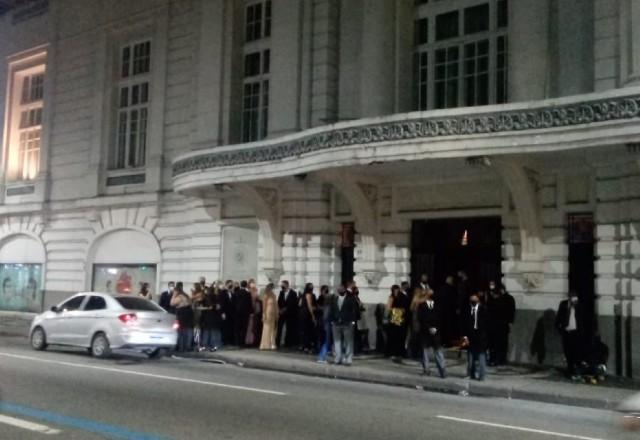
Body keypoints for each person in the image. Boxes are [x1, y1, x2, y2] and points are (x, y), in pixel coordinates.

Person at [555, 291, 586, 378]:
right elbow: (559, 317)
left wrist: (574, 306)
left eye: (576, 298)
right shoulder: (563, 304)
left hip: (576, 332)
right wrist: (559, 329)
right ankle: (570, 370)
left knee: (576, 351)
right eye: (572, 298)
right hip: (566, 332)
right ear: (569, 298)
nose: (574, 300)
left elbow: (583, 318)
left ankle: (576, 370)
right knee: (567, 351)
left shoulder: (579, 305)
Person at [330, 281, 360, 366]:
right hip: (336, 323)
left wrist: (353, 321)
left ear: (344, 289)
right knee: (337, 342)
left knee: (348, 342)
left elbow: (354, 311)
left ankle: (348, 359)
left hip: (347, 323)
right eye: (339, 288)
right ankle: (338, 358)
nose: (340, 290)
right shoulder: (334, 298)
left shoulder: (350, 299)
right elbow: (332, 310)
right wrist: (332, 321)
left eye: (342, 288)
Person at [417, 289, 447, 378]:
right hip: (425, 332)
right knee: (425, 353)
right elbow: (421, 319)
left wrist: (435, 328)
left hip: (436, 333)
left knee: (438, 352)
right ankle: (426, 370)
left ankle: (442, 371)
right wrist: (429, 328)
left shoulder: (438, 306)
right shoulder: (421, 306)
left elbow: (441, 319)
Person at [487, 281, 516, 366]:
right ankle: (497, 359)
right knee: (496, 343)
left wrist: (510, 321)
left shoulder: (508, 298)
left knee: (501, 343)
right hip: (497, 324)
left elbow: (511, 311)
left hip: (501, 324)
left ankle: (500, 359)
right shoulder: (497, 299)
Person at [462, 293, 488, 381]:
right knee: (470, 356)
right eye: (471, 299)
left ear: (478, 300)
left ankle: (481, 375)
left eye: (474, 299)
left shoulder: (483, 310)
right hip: (471, 335)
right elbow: (463, 324)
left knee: (481, 356)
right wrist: (465, 337)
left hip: (481, 336)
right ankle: (471, 373)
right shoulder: (467, 310)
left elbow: (487, 324)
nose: (473, 301)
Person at [386, 284, 409, 362]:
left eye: (397, 290)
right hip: (395, 315)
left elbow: (406, 306)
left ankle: (400, 352)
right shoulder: (391, 297)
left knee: (401, 335)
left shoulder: (402, 296)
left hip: (401, 316)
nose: (396, 292)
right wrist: (396, 310)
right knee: (394, 335)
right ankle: (393, 352)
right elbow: (388, 307)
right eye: (394, 290)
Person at [171, 282, 193, 352]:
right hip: (188, 314)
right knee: (186, 331)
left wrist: (174, 295)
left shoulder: (179, 296)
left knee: (180, 331)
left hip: (182, 314)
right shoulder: (185, 295)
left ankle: (181, 347)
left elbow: (172, 303)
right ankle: (187, 347)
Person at [199, 287, 223, 351]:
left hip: (207, 317)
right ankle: (215, 345)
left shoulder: (206, 298)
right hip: (215, 317)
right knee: (214, 332)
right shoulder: (217, 297)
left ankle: (204, 345)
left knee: (206, 332)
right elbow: (218, 307)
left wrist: (206, 308)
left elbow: (202, 306)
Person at [277, 280, 299, 348]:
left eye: (283, 285)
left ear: (287, 285)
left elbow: (294, 303)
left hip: (290, 313)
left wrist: (285, 309)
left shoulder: (293, 293)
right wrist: (280, 309)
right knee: (280, 327)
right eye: (281, 285)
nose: (282, 286)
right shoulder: (281, 292)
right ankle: (278, 342)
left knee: (289, 328)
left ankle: (288, 343)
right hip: (282, 313)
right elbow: (279, 301)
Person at [298, 282, 317, 353]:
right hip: (307, 314)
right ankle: (306, 346)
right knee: (308, 331)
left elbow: (299, 304)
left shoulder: (302, 295)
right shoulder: (309, 295)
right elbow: (309, 305)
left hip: (302, 313)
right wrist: (313, 315)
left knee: (303, 330)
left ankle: (302, 345)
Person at [440, 275, 459, 346]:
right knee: (448, 327)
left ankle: (443, 341)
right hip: (449, 311)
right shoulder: (452, 289)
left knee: (444, 326)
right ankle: (448, 342)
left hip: (443, 311)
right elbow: (454, 300)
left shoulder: (442, 288)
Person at [234, 280, 253, 347]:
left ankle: (238, 342)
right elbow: (250, 304)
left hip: (237, 312)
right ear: (246, 285)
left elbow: (234, 303)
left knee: (238, 328)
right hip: (246, 313)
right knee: (244, 328)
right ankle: (242, 342)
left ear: (241, 285)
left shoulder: (236, 292)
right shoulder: (248, 293)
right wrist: (251, 312)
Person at [316, 285, 332, 363]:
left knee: (324, 340)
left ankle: (321, 356)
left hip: (323, 323)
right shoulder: (327, 307)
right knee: (325, 341)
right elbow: (325, 317)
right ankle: (321, 357)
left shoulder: (326, 306)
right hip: (325, 324)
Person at [260, 283, 279, 350]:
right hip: (267, 312)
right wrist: (264, 314)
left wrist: (277, 313)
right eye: (272, 287)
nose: (272, 289)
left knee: (272, 328)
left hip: (273, 313)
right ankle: (265, 344)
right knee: (267, 328)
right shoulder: (266, 295)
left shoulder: (273, 295)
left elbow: (276, 305)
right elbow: (264, 305)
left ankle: (272, 343)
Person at [219, 280, 235, 345]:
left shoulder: (232, 293)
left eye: (232, 284)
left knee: (230, 327)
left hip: (231, 313)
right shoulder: (222, 292)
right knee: (225, 327)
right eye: (230, 284)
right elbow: (221, 303)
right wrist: (222, 313)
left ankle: (229, 340)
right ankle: (224, 340)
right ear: (226, 285)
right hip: (225, 312)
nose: (231, 286)